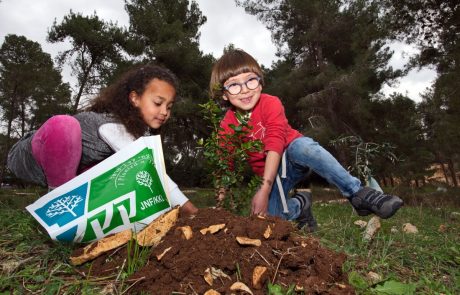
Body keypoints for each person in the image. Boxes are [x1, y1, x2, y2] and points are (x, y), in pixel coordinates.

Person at [209, 49, 403, 230]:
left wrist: (264, 189)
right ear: (224, 94)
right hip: (273, 176)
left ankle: (359, 193)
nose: (244, 89)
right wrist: (220, 204)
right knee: (271, 220)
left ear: (260, 81)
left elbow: (276, 141)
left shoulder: (270, 103)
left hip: (292, 157)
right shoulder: (228, 125)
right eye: (234, 85)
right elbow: (224, 164)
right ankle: (301, 205)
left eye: (250, 80)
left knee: (302, 146)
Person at [7, 64, 198, 216]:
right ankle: (57, 208)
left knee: (121, 172)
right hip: (29, 157)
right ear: (135, 98)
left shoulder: (141, 134)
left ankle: (83, 213)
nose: (164, 112)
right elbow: (155, 173)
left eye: (169, 106)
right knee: (64, 125)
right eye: (158, 103)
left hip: (72, 171)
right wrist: (191, 211)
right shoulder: (113, 125)